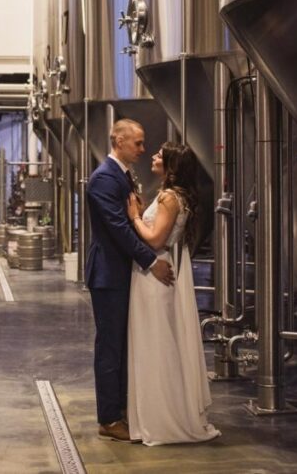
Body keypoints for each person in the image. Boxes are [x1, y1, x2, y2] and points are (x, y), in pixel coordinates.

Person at [85, 119, 175, 443]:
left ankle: (121, 409)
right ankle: (109, 418)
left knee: (122, 345)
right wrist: (152, 262)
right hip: (109, 275)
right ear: (118, 141)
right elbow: (119, 229)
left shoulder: (120, 175)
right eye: (137, 143)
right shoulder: (103, 180)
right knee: (110, 346)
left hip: (121, 272)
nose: (142, 148)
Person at [125, 141, 220, 445]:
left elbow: (154, 240)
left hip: (156, 275)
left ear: (170, 165)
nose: (153, 156)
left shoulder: (169, 197)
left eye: (159, 155)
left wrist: (135, 216)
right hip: (155, 273)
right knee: (159, 341)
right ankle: (159, 413)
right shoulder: (175, 195)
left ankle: (162, 419)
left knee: (156, 344)